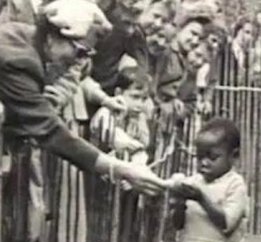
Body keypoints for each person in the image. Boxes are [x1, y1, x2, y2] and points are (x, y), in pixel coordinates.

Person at [0, 0, 167, 195]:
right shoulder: (20, 61)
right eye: (79, 52)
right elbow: (50, 131)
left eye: (88, 54)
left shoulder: (20, 35)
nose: (79, 62)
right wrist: (121, 169)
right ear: (54, 37)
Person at [169, 118, 249, 242]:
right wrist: (179, 203)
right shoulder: (193, 182)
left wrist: (201, 199)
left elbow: (227, 224)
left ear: (234, 156)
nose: (204, 163)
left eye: (212, 158)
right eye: (199, 157)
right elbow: (178, 225)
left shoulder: (235, 185)